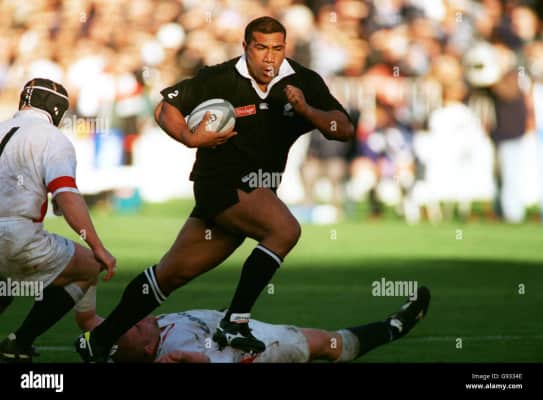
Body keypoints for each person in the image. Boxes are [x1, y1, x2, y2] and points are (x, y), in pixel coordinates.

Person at [75, 16, 354, 361]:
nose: (269, 57)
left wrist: (307, 110)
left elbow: (343, 129)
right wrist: (189, 137)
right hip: (219, 182)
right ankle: (235, 322)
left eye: (277, 48)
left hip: (256, 193)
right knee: (284, 230)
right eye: (261, 48)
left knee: (169, 274)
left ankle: (99, 340)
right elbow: (166, 108)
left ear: (286, 48)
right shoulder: (219, 78)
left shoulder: (303, 81)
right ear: (246, 47)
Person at [0, 78, 116, 362]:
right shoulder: (52, 138)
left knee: (7, 282)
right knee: (88, 266)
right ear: (57, 111)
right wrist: (98, 247)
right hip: (15, 234)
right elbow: (66, 196)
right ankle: (21, 341)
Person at [75, 286, 430, 363]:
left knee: (326, 344)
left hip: (238, 327)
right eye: (136, 328)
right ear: (148, 349)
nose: (141, 319)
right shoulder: (172, 349)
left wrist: (86, 272)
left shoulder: (140, 335)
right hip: (261, 348)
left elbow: (89, 319)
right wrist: (187, 359)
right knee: (328, 344)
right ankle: (394, 328)